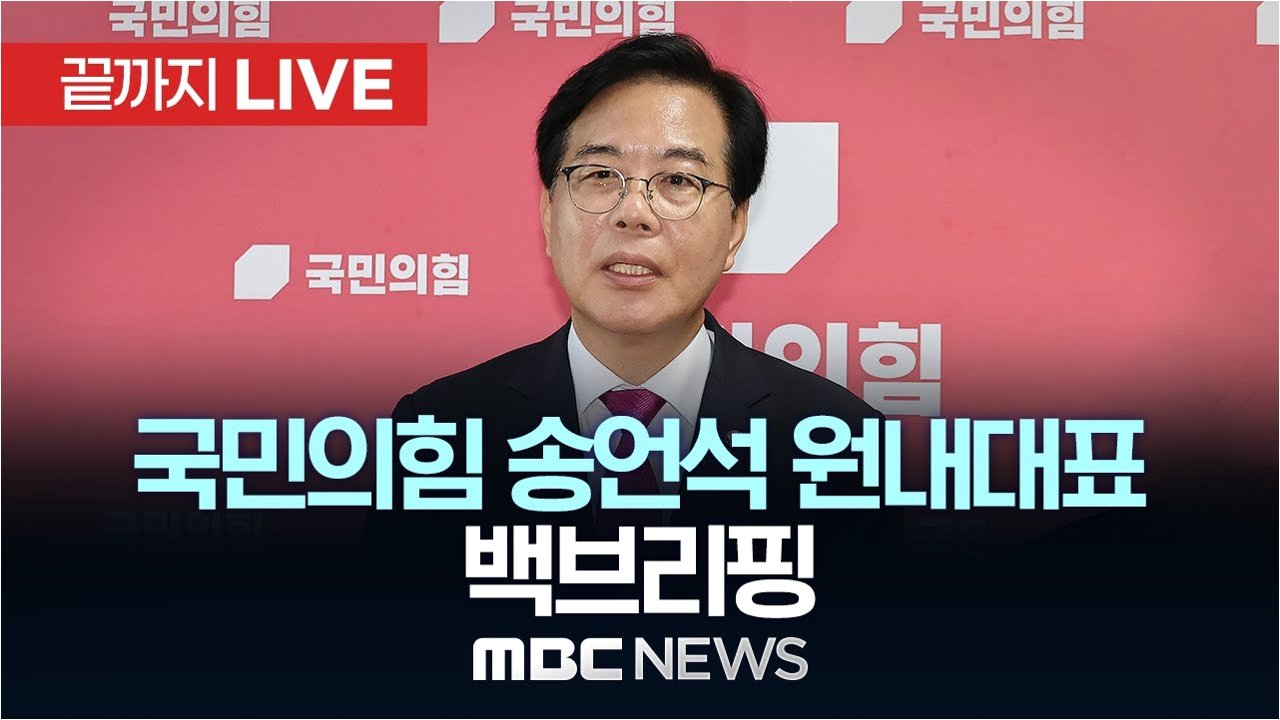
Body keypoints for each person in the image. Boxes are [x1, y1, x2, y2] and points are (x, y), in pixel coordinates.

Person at [374, 33, 885, 531]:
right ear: (549, 214)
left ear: (735, 227)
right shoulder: (438, 432)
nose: (633, 213)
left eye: (678, 180)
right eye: (600, 175)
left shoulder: (839, 442)